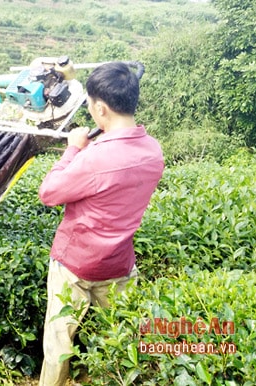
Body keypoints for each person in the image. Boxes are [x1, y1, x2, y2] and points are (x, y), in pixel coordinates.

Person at [37, 62, 164, 386]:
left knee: (59, 345)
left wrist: (72, 150)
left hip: (75, 266)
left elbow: (49, 193)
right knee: (120, 342)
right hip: (119, 266)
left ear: (100, 108)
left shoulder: (94, 158)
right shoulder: (154, 152)